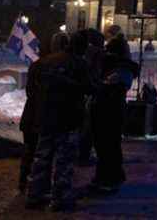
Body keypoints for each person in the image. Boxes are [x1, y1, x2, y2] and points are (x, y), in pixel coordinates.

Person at [26, 30, 92, 211]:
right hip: (68, 118)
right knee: (64, 161)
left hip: (46, 118)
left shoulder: (40, 64)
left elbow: (31, 92)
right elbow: (89, 88)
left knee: (42, 158)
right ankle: (60, 197)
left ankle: (35, 194)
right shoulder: (79, 64)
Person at [19, 32, 69, 193]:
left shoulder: (38, 65)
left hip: (33, 116)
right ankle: (36, 188)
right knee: (41, 154)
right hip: (41, 117)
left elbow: (30, 92)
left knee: (32, 152)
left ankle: (27, 185)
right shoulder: (52, 66)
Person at [90, 25, 138, 193]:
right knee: (107, 146)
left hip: (109, 110)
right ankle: (106, 176)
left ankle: (110, 178)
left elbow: (108, 88)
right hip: (111, 110)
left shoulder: (119, 70)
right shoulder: (122, 68)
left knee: (108, 146)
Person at [78, 29, 105, 165]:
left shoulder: (84, 54)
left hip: (84, 93)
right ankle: (83, 155)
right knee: (87, 127)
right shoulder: (97, 54)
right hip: (91, 93)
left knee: (84, 126)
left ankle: (81, 154)